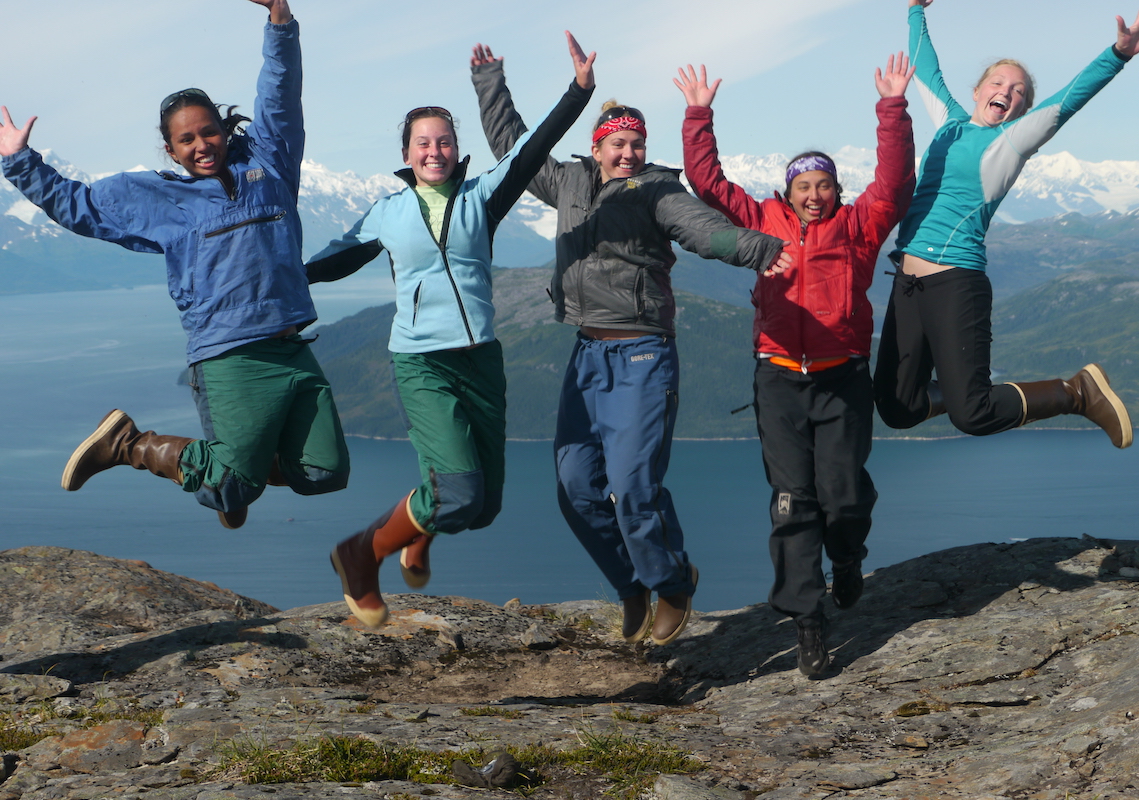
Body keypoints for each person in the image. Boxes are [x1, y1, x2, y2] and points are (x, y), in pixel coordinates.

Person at [471, 47, 792, 648]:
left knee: (634, 484)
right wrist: (490, 81)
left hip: (643, 354)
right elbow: (513, 144)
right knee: (575, 488)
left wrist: (759, 250)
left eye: (636, 144)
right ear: (595, 148)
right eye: (617, 144)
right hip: (587, 355)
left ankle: (672, 582)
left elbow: (704, 230)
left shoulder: (656, 191)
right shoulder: (565, 181)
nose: (628, 153)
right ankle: (631, 584)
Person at [0, 0, 349, 531]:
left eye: (209, 131)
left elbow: (280, 92)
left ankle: (232, 472)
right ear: (170, 150)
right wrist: (19, 162)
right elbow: (81, 208)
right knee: (233, 484)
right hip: (229, 354)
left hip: (292, 345)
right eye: (186, 139)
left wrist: (279, 18)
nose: (202, 144)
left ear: (224, 129)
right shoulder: (162, 202)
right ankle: (129, 443)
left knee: (323, 472)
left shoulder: (269, 162)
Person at [308, 34, 596, 629]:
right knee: (457, 495)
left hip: (482, 361)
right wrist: (281, 281)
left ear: (456, 148)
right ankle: (359, 554)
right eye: (423, 143)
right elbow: (333, 261)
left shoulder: (481, 197)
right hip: (422, 363)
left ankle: (420, 532)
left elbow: (535, 145)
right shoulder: (385, 211)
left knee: (481, 508)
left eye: (443, 141)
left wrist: (579, 92)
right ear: (407, 153)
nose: (434, 151)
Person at [675, 55, 916, 676]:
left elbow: (894, 182)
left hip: (842, 380)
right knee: (791, 501)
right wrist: (698, 115)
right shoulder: (761, 221)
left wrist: (892, 107)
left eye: (824, 185)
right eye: (803, 187)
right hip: (778, 377)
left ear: (837, 190)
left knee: (842, 498)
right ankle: (808, 622)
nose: (814, 196)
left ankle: (848, 556)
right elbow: (707, 184)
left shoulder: (860, 228)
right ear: (787, 192)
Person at [873, 0, 1139, 447]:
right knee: (896, 407)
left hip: (955, 282)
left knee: (973, 414)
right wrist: (915, 9)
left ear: (1022, 109)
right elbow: (926, 67)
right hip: (908, 285)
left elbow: (1068, 100)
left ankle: (1076, 392)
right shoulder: (949, 124)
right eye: (999, 83)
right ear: (977, 91)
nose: (1008, 92)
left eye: (1020, 92)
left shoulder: (1011, 142)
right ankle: (961, 389)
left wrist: (1118, 54)